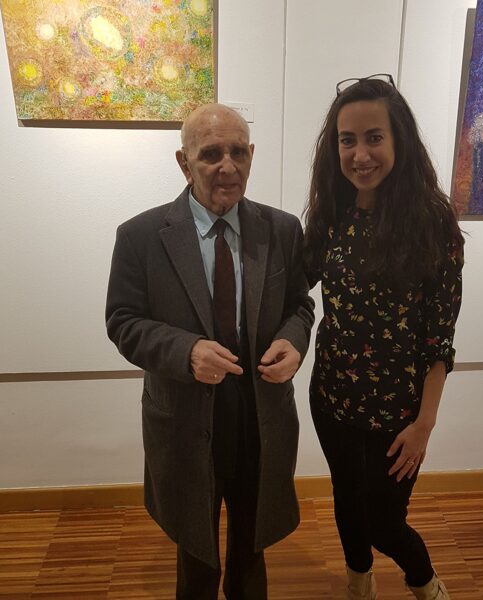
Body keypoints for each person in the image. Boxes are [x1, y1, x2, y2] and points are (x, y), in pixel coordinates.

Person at [106, 103, 314, 600]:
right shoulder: (140, 236)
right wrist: (187, 351)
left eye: (238, 152)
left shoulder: (282, 230)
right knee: (196, 551)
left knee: (252, 545)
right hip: (184, 417)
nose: (228, 166)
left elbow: (300, 305)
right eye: (211, 154)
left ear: (252, 155)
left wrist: (293, 340)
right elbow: (122, 321)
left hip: (259, 415)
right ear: (184, 162)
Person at [303, 74, 464, 600]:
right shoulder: (331, 213)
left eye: (374, 137)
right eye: (347, 140)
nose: (360, 154)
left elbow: (439, 341)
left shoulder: (433, 223)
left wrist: (424, 425)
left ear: (399, 140)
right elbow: (293, 284)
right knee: (347, 503)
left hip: (398, 413)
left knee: (385, 522)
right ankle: (359, 584)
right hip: (332, 399)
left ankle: (425, 584)